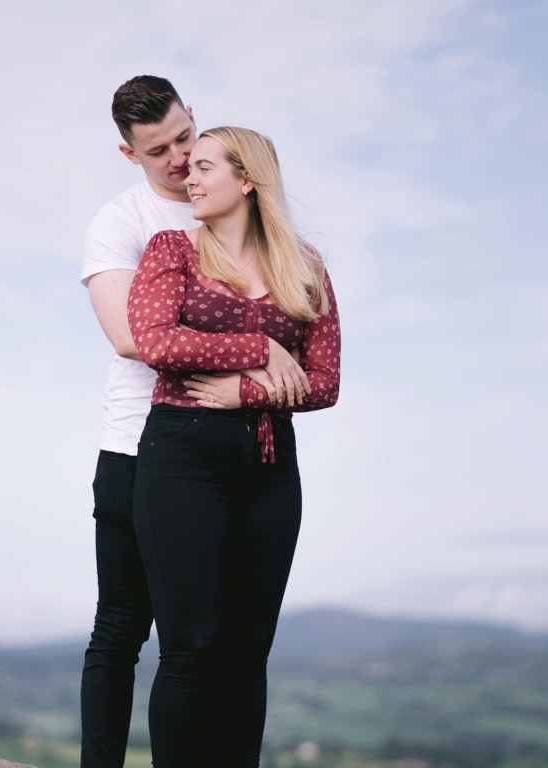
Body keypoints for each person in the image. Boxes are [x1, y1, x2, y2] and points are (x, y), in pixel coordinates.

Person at [128, 126, 341, 768]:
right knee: (191, 644)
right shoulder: (172, 249)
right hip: (182, 459)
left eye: (203, 168)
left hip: (272, 467)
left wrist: (244, 394)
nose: (186, 178)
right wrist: (261, 352)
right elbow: (156, 342)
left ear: (247, 180)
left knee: (249, 652)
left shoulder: (305, 265)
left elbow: (325, 383)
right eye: (186, 169)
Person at [79, 75, 199, 768]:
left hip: (219, 450)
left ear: (195, 117)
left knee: (198, 639)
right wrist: (249, 356)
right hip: (132, 445)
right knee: (122, 626)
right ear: (130, 154)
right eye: (159, 150)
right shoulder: (120, 222)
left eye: (185, 137)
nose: (179, 157)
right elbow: (130, 337)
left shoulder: (231, 206)